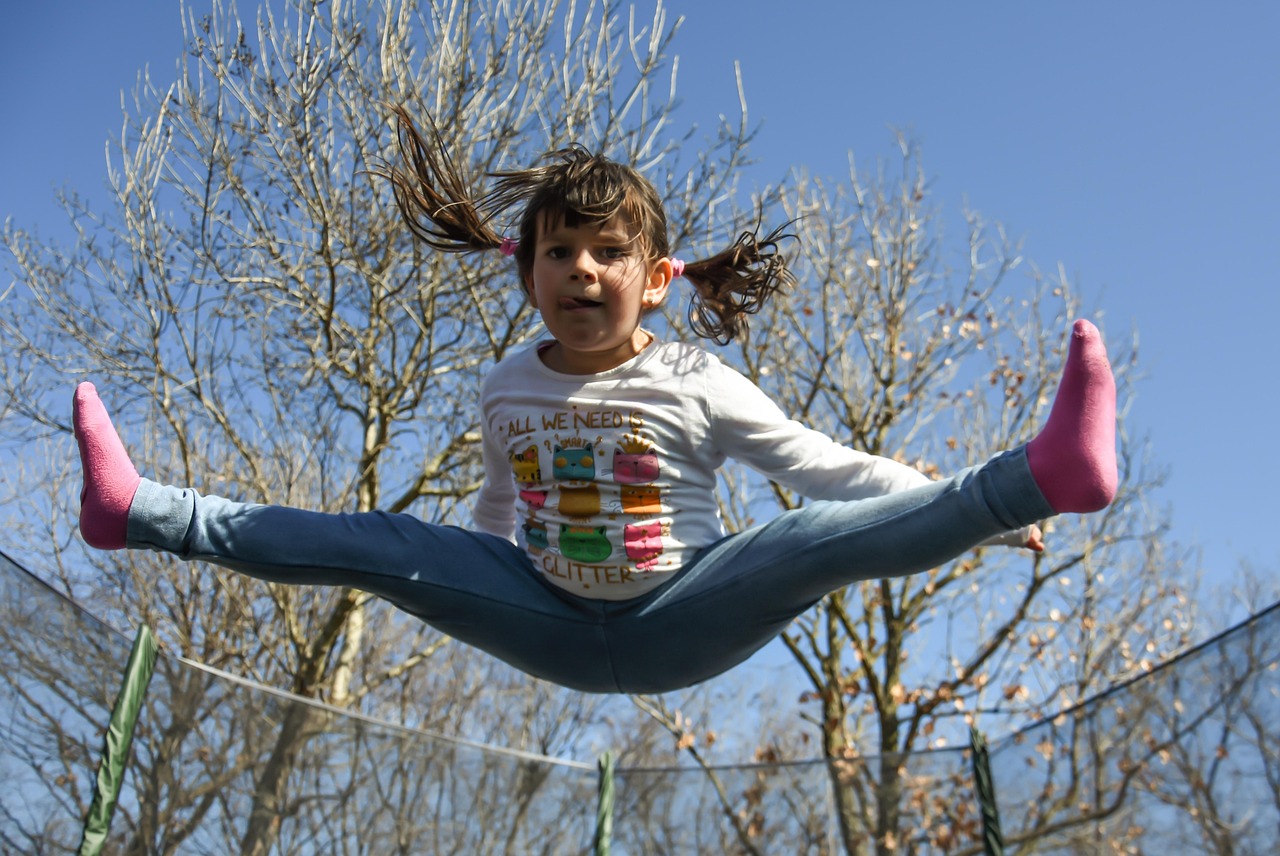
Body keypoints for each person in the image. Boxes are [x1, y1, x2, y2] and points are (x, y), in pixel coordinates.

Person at [73, 109, 1116, 694]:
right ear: (524, 271)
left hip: (685, 611)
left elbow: (819, 463)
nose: (581, 270)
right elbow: (490, 514)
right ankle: (138, 513)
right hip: (546, 615)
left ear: (655, 278)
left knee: (814, 537)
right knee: (377, 541)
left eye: (607, 253)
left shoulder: (691, 379)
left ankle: (1032, 480)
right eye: (558, 251)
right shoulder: (504, 385)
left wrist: (961, 518)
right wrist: (453, 576)